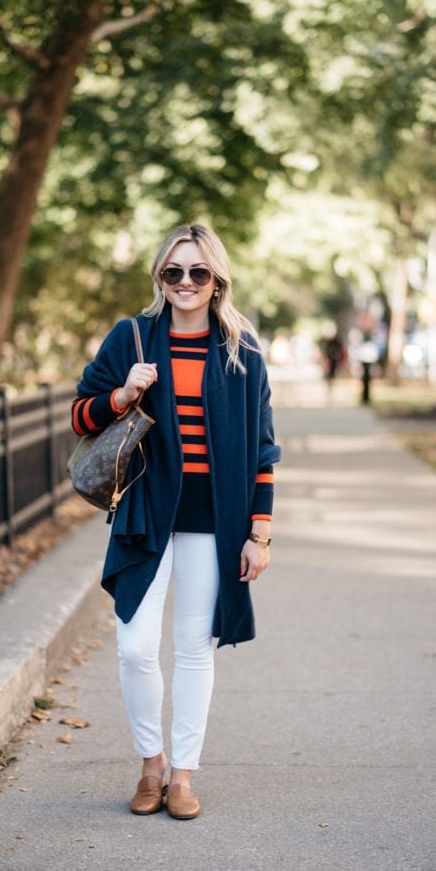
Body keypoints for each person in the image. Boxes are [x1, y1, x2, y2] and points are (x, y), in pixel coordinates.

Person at [71, 223, 281, 820]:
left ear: (217, 281)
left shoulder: (242, 350)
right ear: (160, 278)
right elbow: (81, 415)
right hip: (146, 514)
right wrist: (121, 395)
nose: (185, 283)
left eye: (198, 273)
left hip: (216, 520)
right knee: (135, 645)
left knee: (194, 648)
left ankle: (183, 775)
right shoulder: (132, 338)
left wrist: (259, 533)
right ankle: (151, 763)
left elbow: (263, 451)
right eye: (173, 272)